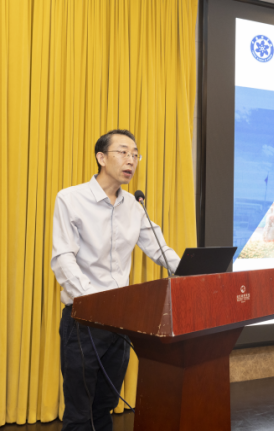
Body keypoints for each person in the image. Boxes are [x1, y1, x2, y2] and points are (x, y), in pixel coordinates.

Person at [51, 130, 180, 431]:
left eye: (135, 154)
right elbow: (63, 258)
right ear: (101, 157)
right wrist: (95, 302)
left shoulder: (134, 206)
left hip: (121, 321)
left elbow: (160, 250)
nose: (131, 160)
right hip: (85, 319)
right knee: (80, 411)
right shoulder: (71, 199)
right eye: (123, 152)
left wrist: (193, 271)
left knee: (105, 406)